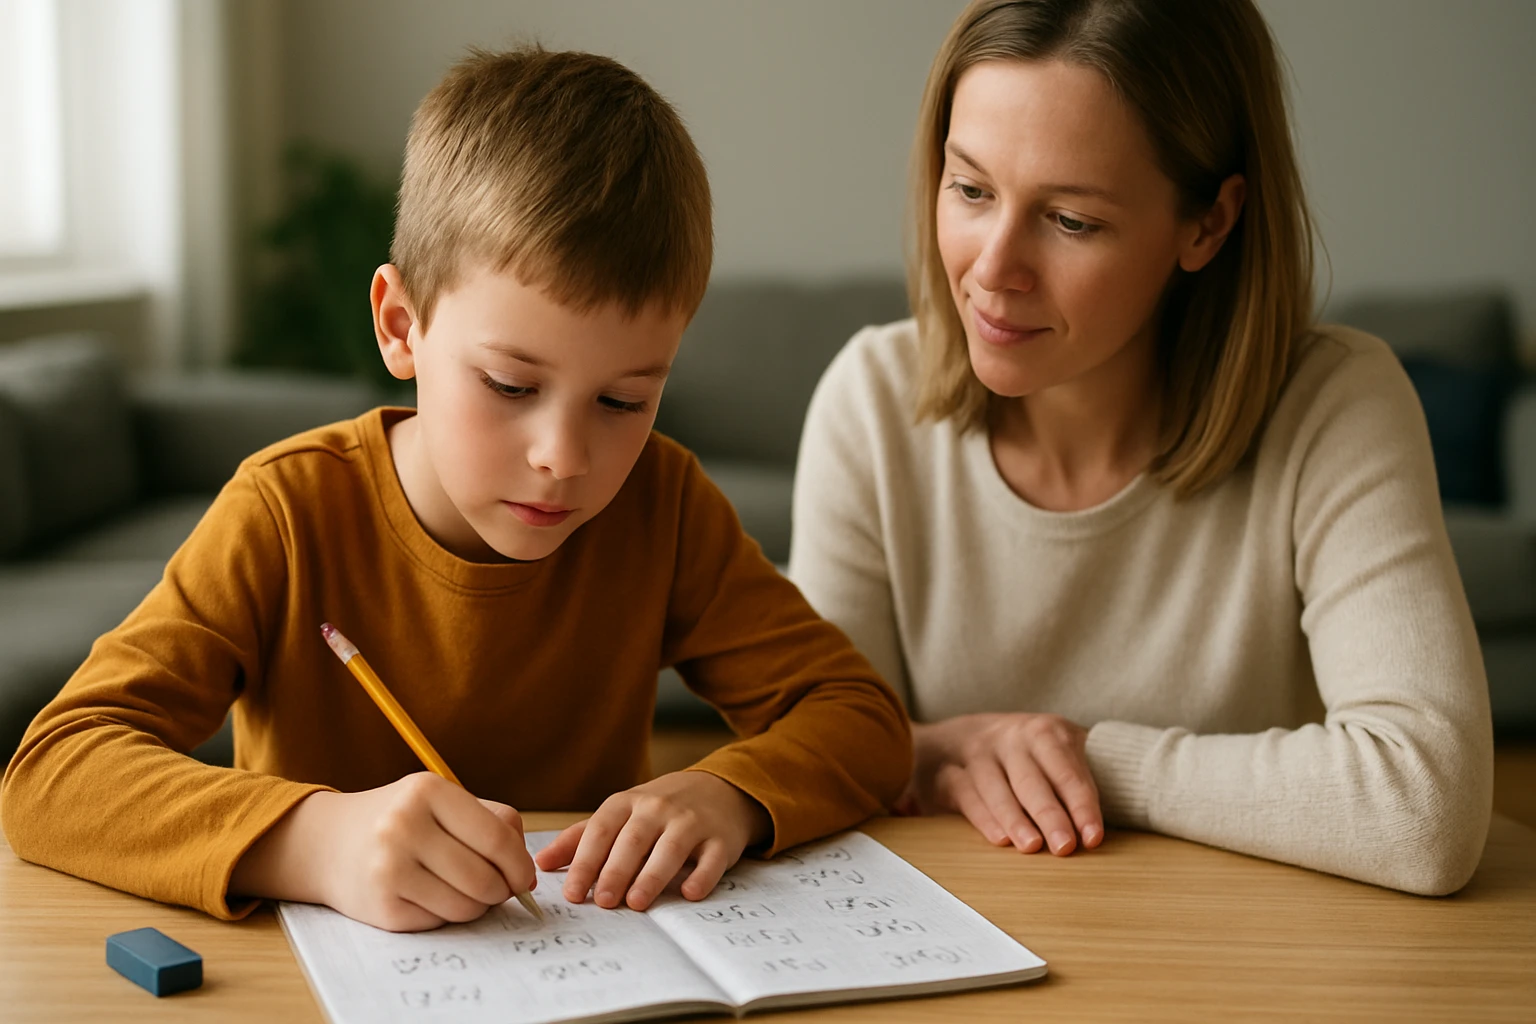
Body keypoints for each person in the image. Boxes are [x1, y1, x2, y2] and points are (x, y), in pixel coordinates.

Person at [1, 47, 910, 931]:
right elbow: (52, 773)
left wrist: (730, 794)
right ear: (402, 327)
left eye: (624, 400)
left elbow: (860, 718)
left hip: (586, 964)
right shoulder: (284, 514)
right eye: (512, 386)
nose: (564, 455)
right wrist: (315, 842)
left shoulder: (662, 510)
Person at [789, 0, 1492, 895]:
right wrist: (929, 751)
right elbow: (813, 746)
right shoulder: (871, 402)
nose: (993, 268)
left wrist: (1086, 759)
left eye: (1072, 221)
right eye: (971, 189)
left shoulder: (1335, 405)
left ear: (1209, 223)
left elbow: (1424, 808)